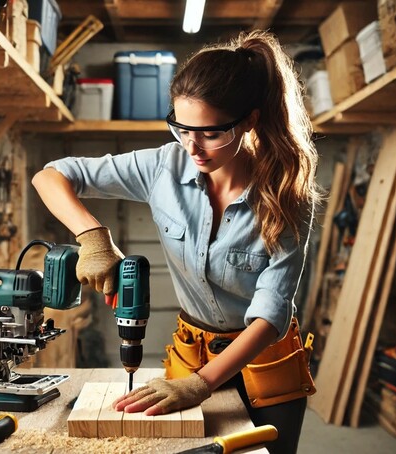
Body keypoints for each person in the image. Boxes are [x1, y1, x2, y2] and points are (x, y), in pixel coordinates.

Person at [32, 30, 321, 453]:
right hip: (191, 352)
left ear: (249, 121)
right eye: (181, 128)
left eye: (209, 133)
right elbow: (51, 175)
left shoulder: (287, 194)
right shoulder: (162, 167)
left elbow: (270, 314)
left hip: (266, 363)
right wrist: (92, 236)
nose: (192, 146)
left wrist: (200, 385)